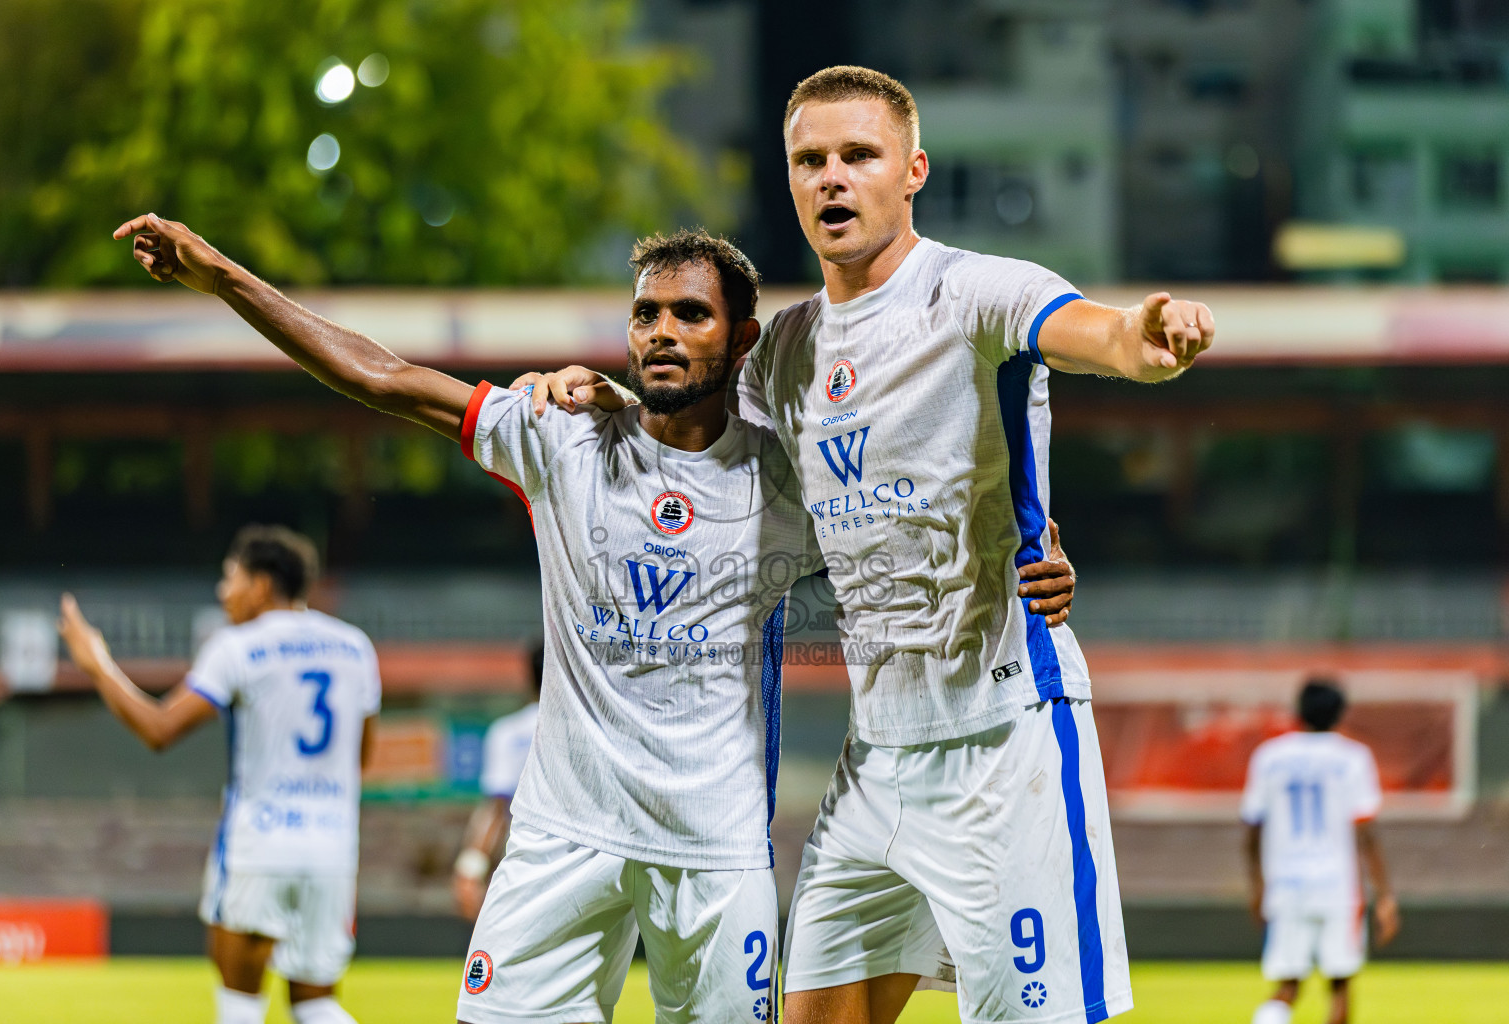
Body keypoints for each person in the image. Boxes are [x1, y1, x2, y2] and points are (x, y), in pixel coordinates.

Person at [110, 212, 1074, 1022]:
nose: (661, 330)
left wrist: (1039, 555)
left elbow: (921, 530)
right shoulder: (560, 437)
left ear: (740, 343)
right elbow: (381, 375)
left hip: (716, 854)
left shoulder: (791, 479)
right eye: (646, 313)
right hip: (561, 838)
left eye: (690, 314)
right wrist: (226, 278)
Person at [527, 64, 1214, 1024]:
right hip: (875, 758)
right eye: (810, 160)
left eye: (858, 155)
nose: (832, 178)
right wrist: (597, 393)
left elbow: (1096, 335)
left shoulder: (978, 293)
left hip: (1002, 740)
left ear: (913, 170)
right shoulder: (783, 352)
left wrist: (1148, 333)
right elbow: (705, 452)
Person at [57, 525, 380, 1024]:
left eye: (230, 578)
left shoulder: (238, 647)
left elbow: (161, 729)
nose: (223, 592)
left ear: (261, 585)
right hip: (334, 851)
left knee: (240, 1009)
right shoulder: (355, 648)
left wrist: (98, 665)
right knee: (317, 1006)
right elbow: (360, 758)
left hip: (260, 846)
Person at [1241, 680, 1400, 1024]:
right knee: (1340, 984)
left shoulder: (1269, 757)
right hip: (1337, 886)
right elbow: (1365, 832)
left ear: (1299, 711)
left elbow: (1253, 830)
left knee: (1286, 986)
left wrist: (1257, 885)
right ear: (1341, 713)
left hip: (1285, 883)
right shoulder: (1353, 758)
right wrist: (1385, 895)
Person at [452, 643, 543, 918]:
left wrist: (470, 868)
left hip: (523, 858)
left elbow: (496, 810)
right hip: (585, 859)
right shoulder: (591, 727)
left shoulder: (508, 732)